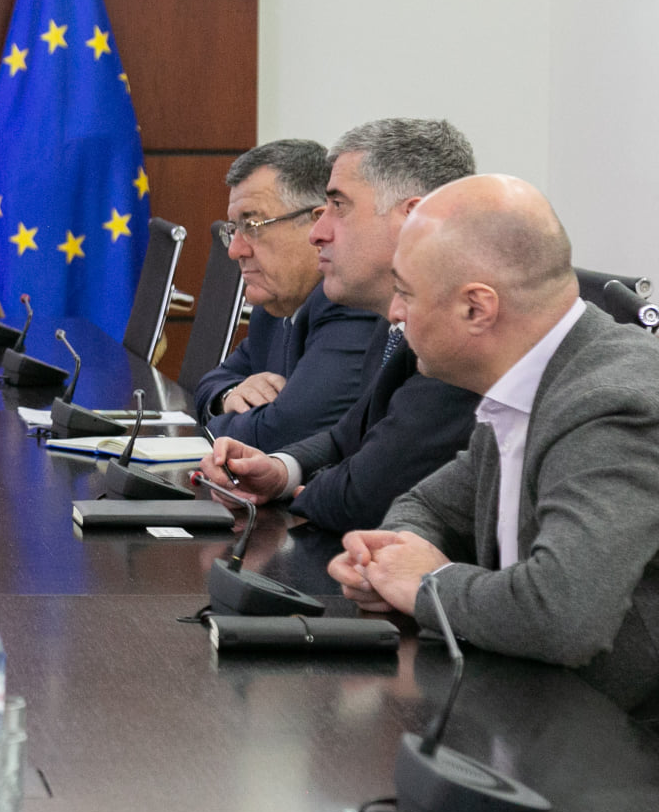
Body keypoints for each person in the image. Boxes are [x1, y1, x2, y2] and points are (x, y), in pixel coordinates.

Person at [327, 175, 659, 730]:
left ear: (477, 308)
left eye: (406, 293)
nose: (394, 312)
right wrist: (393, 560)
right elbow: (430, 505)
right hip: (558, 708)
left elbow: (561, 615)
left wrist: (424, 588)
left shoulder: (614, 406)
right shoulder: (536, 379)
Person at [198, 118, 480, 532]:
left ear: (413, 218)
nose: (317, 232)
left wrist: (303, 491)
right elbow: (344, 438)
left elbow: (365, 495)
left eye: (338, 206)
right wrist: (280, 470)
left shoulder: (458, 333)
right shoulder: (393, 324)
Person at [194, 140, 379, 450]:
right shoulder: (274, 305)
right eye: (234, 229)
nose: (235, 250)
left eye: (252, 225)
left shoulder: (351, 306)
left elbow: (282, 433)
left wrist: (217, 425)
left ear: (317, 223)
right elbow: (210, 381)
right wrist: (230, 395)